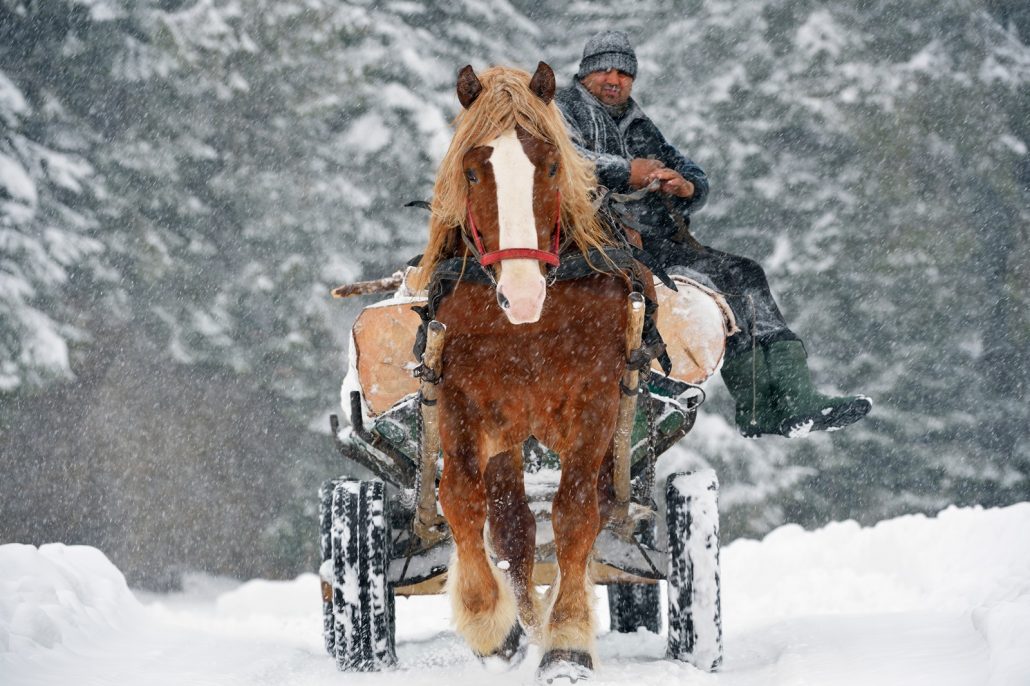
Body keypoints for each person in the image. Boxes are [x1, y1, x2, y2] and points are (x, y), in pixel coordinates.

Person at [555, 30, 871, 438]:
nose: (614, 79)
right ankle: (768, 406)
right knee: (722, 285)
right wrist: (626, 171)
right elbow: (566, 161)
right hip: (593, 240)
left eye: (624, 73)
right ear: (585, 73)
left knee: (745, 275)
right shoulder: (563, 108)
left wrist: (684, 186)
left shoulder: (636, 121)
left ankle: (784, 403)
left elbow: (689, 171)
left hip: (652, 243)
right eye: (604, 70)